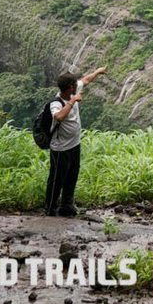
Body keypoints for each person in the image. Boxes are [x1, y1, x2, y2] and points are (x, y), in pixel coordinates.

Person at [44, 64, 106, 217]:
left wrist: (98, 71)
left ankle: (67, 205)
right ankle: (50, 208)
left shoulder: (74, 89)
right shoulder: (56, 103)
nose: (77, 86)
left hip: (74, 145)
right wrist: (73, 102)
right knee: (57, 179)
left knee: (72, 175)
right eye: (74, 86)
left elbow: (86, 80)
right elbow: (58, 117)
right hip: (60, 149)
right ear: (70, 88)